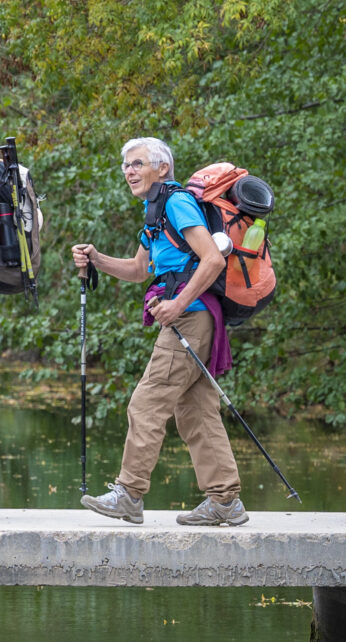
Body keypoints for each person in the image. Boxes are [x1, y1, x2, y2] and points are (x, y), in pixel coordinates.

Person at [71, 137, 246, 526]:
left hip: (191, 315)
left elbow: (213, 259)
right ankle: (225, 502)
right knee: (195, 410)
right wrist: (96, 259)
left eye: (136, 164)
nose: (128, 171)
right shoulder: (155, 212)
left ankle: (129, 494)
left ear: (162, 168)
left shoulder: (176, 202)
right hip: (194, 315)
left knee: (146, 403)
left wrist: (177, 304)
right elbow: (137, 271)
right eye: (125, 166)